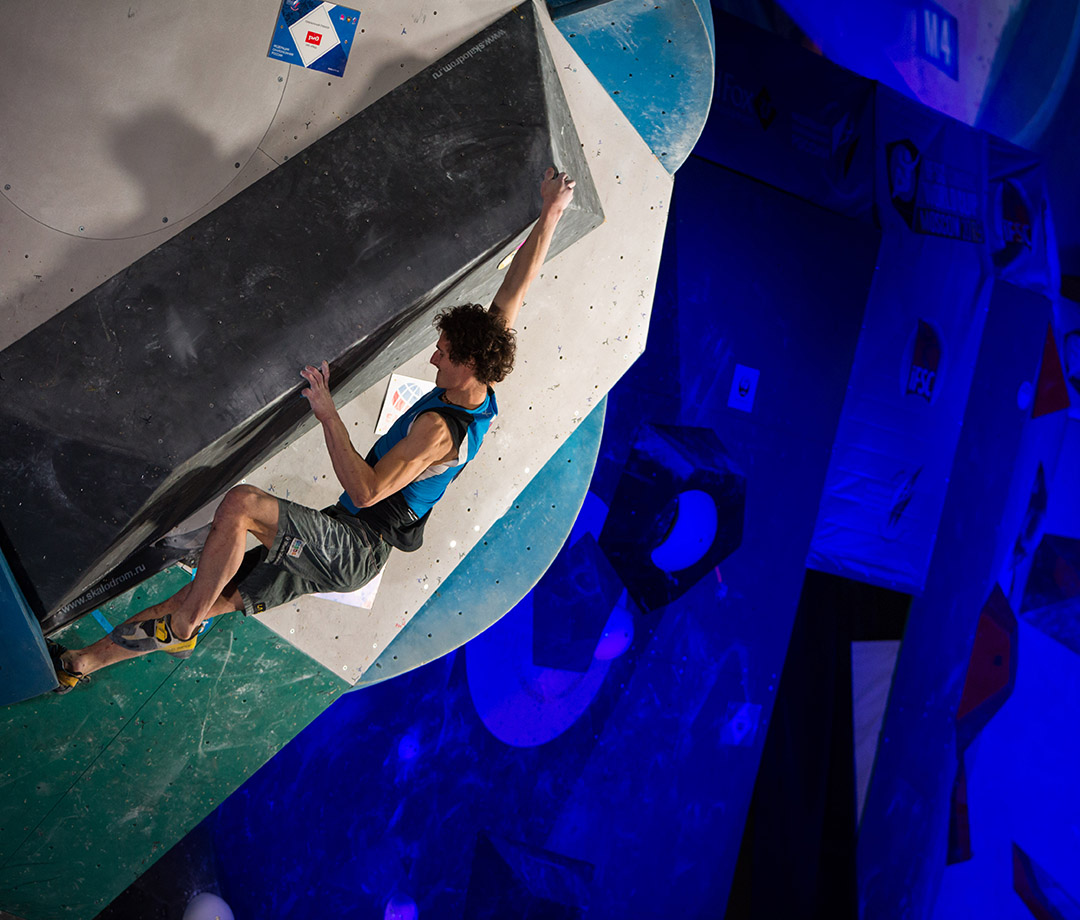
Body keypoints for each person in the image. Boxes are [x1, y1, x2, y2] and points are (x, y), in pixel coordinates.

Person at [48, 167, 577, 692]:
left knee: (241, 505)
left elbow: (366, 492)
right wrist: (551, 210)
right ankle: (81, 663)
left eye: (443, 353)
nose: (434, 357)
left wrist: (327, 412)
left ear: (467, 362)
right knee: (203, 594)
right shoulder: (483, 372)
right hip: (339, 531)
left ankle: (183, 631)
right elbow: (517, 282)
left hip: (354, 546)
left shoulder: (437, 431)